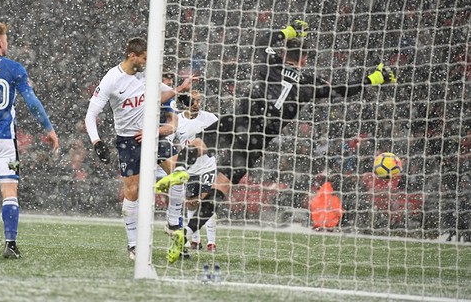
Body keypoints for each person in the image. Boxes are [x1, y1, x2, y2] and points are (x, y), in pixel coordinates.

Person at [167, 19, 396, 262]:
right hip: (259, 137)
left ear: (285, 52)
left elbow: (263, 41)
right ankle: (188, 231)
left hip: (242, 117)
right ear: (305, 59)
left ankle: (179, 170)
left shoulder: (271, 63)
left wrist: (289, 30)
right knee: (222, 184)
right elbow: (343, 89)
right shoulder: (310, 83)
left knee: (202, 142)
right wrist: (375, 78)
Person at [0, 22, 59, 259]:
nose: (7, 44)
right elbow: (32, 102)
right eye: (6, 40)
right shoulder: (14, 68)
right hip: (5, 137)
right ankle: (10, 243)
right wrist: (48, 128)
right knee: (9, 190)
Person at [84, 37, 188, 260]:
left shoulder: (145, 74)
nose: (147, 63)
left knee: (180, 174)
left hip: (151, 135)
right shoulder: (112, 79)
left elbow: (162, 94)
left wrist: (180, 91)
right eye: (144, 58)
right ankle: (133, 245)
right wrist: (96, 142)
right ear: (133, 56)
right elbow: (91, 114)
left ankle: (172, 223)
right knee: (132, 192)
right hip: (128, 141)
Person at [157, 89, 219, 252]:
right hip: (190, 169)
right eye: (193, 101)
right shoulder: (178, 120)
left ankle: (211, 242)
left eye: (199, 101)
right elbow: (169, 140)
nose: (196, 104)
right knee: (191, 204)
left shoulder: (210, 118)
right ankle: (195, 241)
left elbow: (223, 135)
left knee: (205, 202)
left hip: (208, 166)